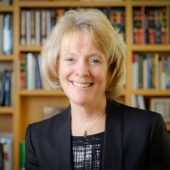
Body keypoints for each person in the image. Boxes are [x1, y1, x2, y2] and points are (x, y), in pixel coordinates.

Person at [25, 8, 170, 170]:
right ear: (57, 67)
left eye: (94, 60)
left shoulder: (148, 129)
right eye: (70, 59)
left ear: (111, 69)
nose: (81, 71)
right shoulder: (37, 137)